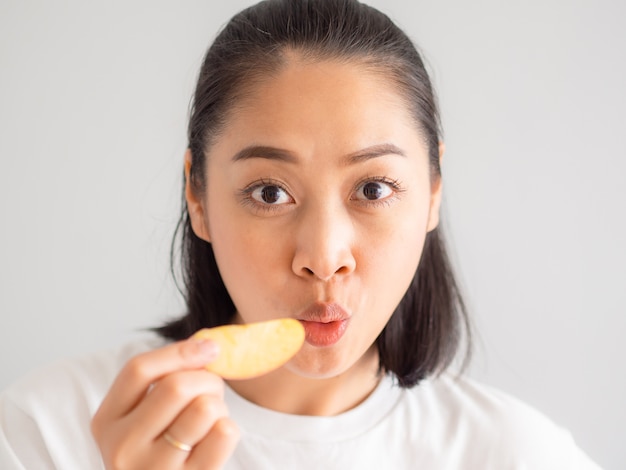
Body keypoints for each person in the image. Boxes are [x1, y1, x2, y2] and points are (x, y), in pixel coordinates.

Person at [0, 0, 602, 468]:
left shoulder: (517, 457)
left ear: (433, 192)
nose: (322, 257)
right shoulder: (47, 434)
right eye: (269, 193)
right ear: (199, 196)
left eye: (373, 189)